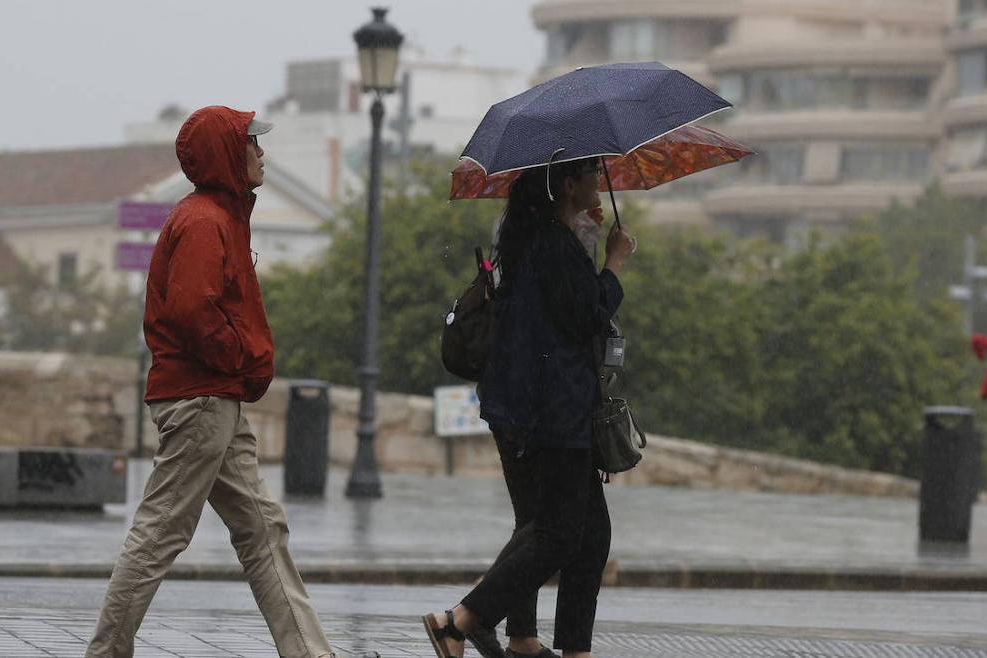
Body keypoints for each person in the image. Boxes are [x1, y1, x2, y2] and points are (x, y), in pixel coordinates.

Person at [85, 105, 375, 658]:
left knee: (263, 528)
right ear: (227, 154)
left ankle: (312, 653)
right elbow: (196, 311)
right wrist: (241, 359)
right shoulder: (203, 222)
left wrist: (237, 372)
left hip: (216, 398)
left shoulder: (217, 217)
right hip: (202, 399)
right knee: (161, 532)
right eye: (252, 144)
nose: (262, 153)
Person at [423, 157, 635, 658]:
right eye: (591, 177)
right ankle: (459, 621)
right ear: (568, 184)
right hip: (551, 407)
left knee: (581, 531)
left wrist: (586, 241)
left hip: (536, 401)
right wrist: (614, 262)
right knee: (559, 531)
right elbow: (586, 314)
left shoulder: (536, 238)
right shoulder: (551, 245)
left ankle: (557, 646)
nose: (598, 187)